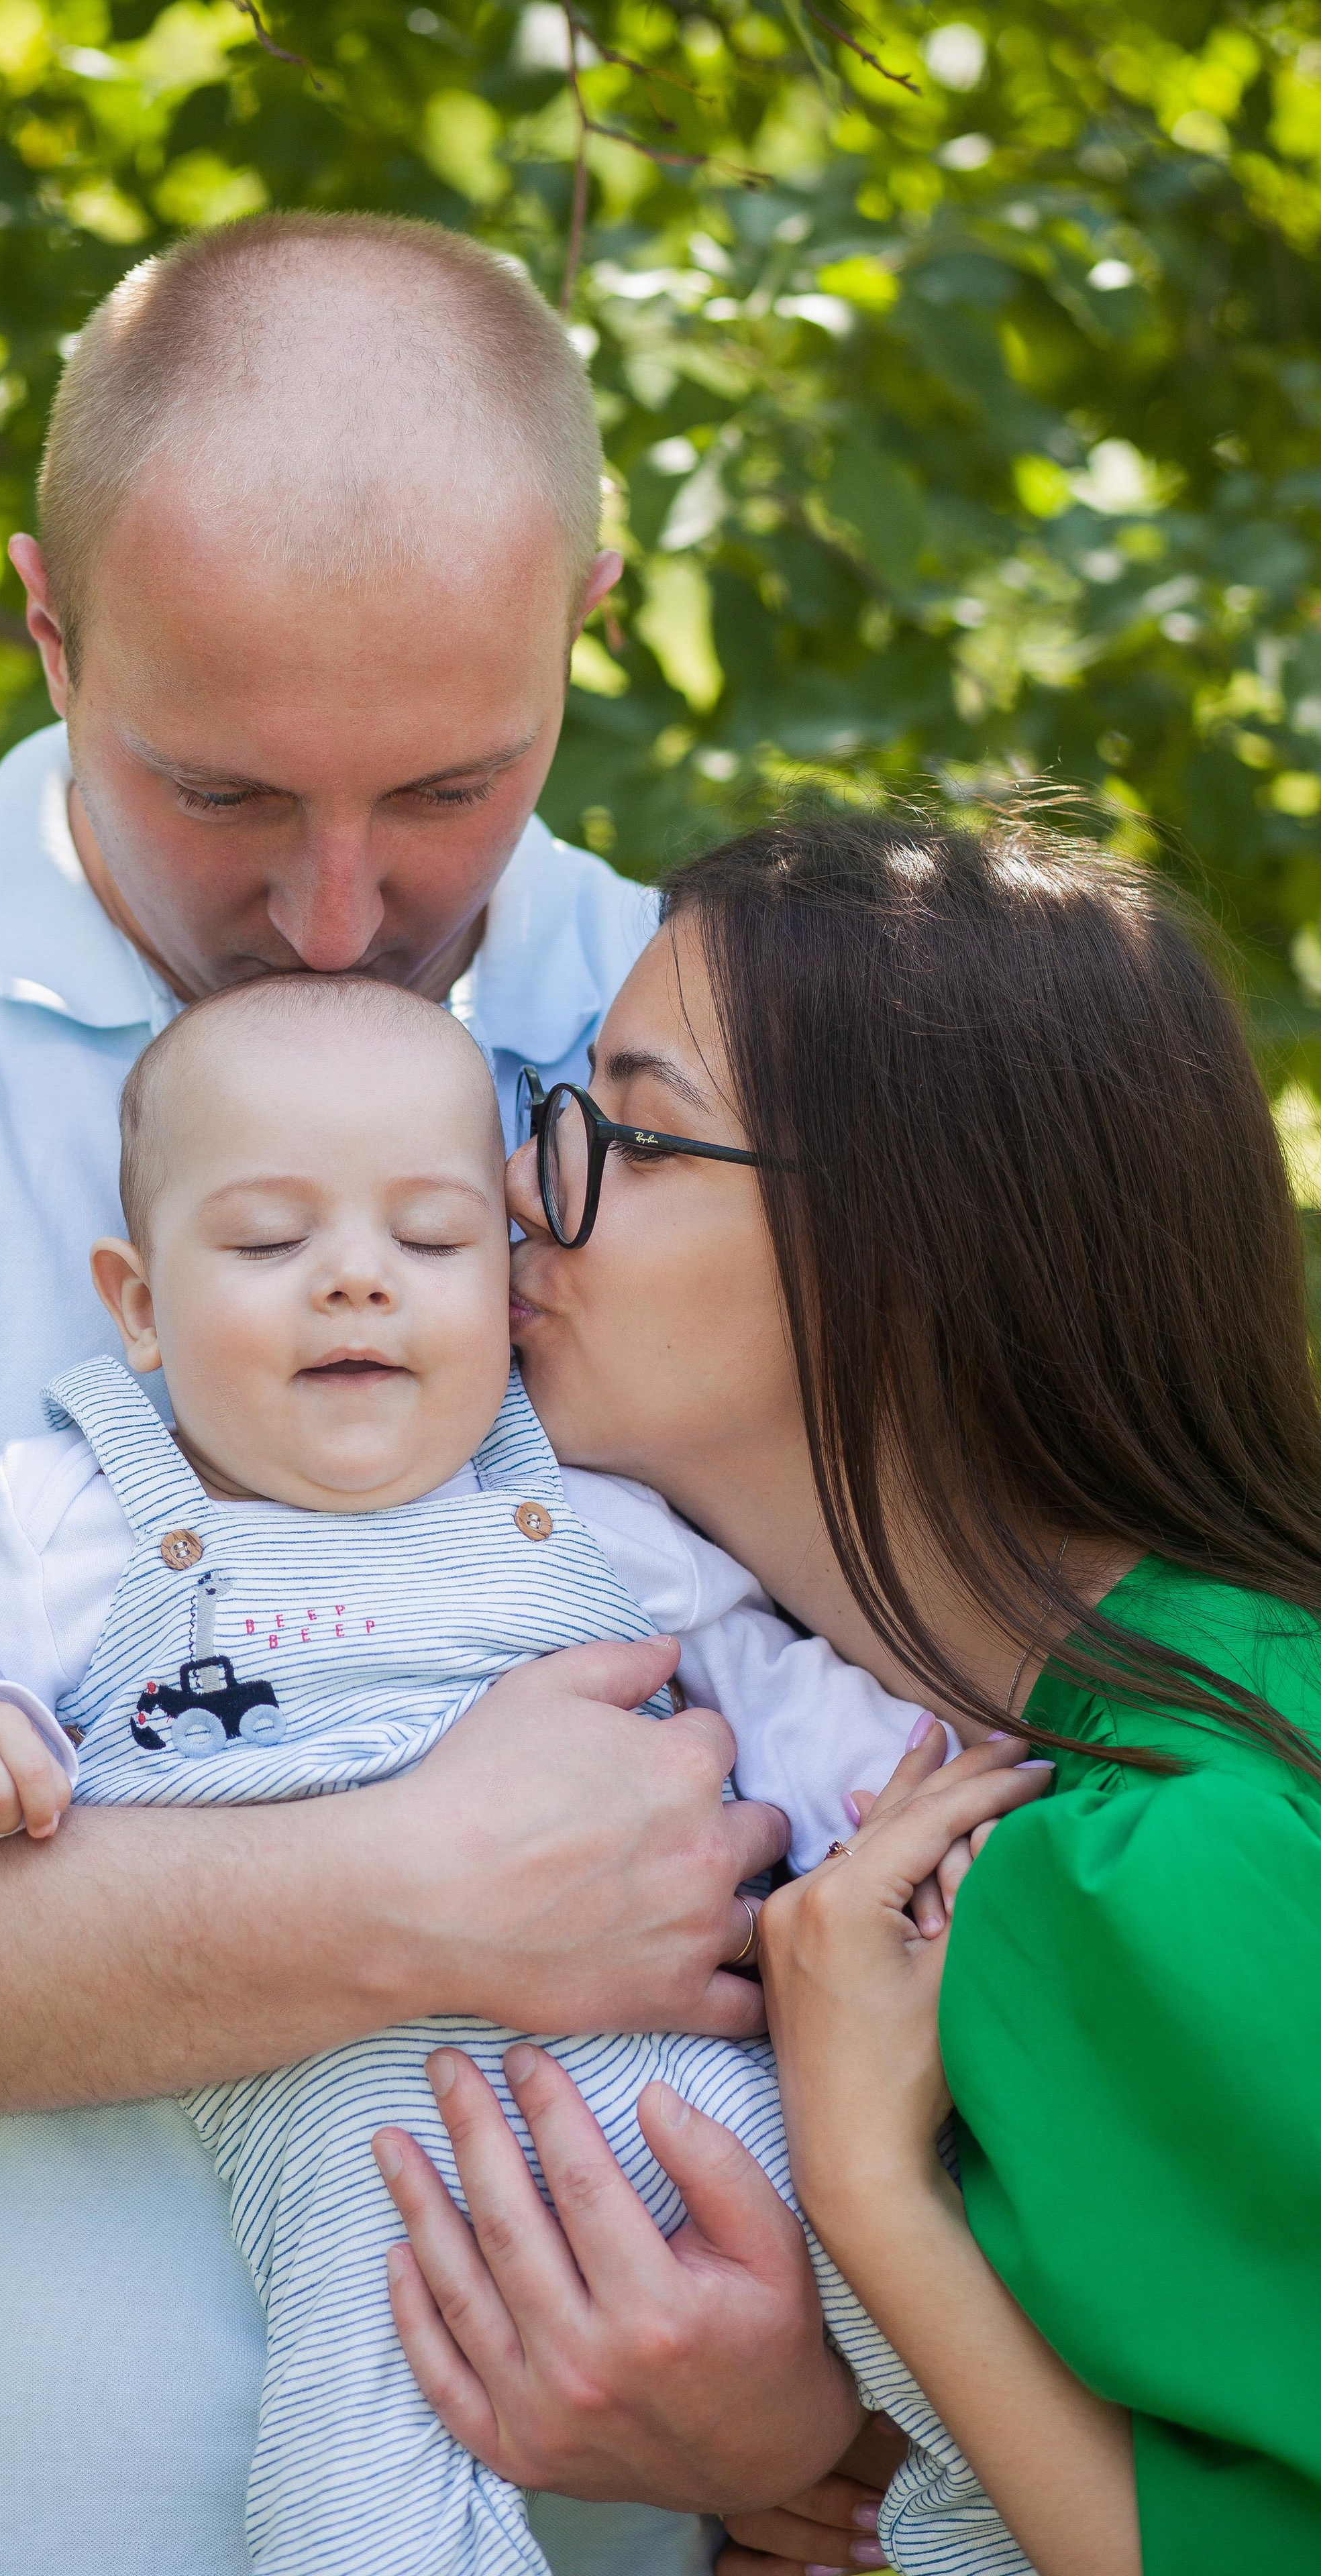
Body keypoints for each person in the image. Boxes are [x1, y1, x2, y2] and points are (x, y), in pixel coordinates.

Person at [0, 215, 875, 2576]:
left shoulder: (716, 1056)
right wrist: (409, 1897)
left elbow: (940, 1771)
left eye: (451, 788)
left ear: (587, 622)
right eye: (221, 792)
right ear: (48, 623)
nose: (336, 916)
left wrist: (828, 2428)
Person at [0, 973, 1005, 2576]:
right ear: (139, 1306)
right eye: (269, 1243)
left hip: (695, 2088)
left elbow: (768, 1699)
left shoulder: (584, 1506)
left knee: (953, 2335)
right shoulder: (77, 1510)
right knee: (354, 2492)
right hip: (364, 2165)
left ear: (504, 1288)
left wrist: (904, 1798)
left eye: (433, 1242)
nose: (356, 1281)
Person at [374, 808, 1321, 2576]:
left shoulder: (1160, 1869)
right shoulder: (1108, 1741)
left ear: (912, 1243)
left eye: (628, 1135)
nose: (515, 1184)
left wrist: (870, 2191)